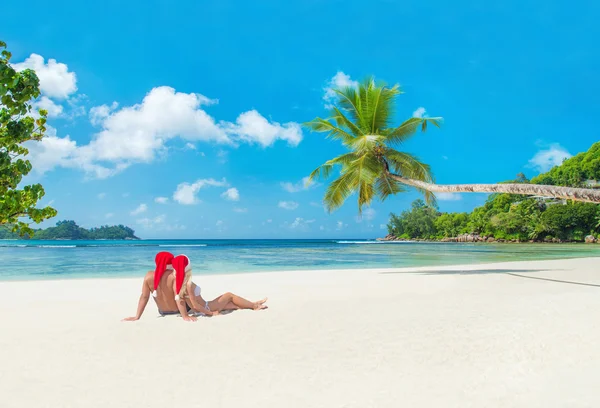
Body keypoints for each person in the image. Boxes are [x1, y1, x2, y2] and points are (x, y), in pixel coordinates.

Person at [171, 254, 268, 317]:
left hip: (204, 307)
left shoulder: (178, 282)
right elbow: (195, 306)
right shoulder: (187, 283)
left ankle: (253, 304)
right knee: (229, 295)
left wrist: (185, 315)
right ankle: (254, 306)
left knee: (234, 305)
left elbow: (181, 300)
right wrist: (211, 313)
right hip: (207, 307)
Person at [122, 251, 197, 322]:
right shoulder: (173, 275)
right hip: (178, 310)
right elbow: (178, 296)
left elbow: (144, 297)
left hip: (162, 312)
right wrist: (185, 316)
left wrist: (137, 316)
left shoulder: (149, 276)